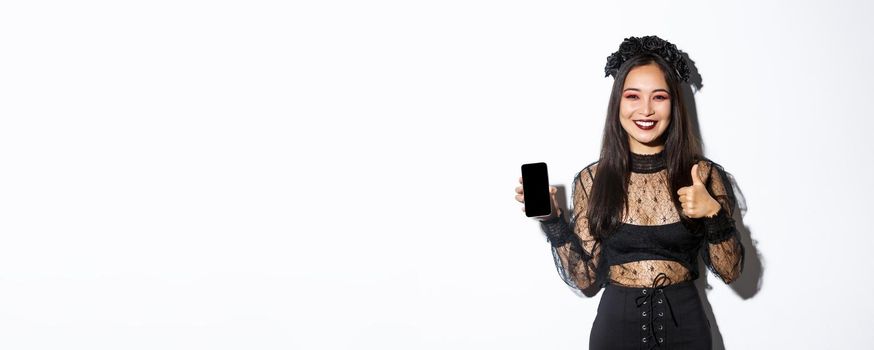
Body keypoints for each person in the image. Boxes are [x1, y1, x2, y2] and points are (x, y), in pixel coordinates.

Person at [513, 35, 745, 349]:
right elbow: (584, 279)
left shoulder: (702, 175)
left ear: (674, 104)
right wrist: (552, 220)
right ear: (618, 103)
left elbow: (731, 272)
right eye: (633, 96)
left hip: (687, 330)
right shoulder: (592, 180)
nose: (645, 110)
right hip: (615, 332)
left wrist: (714, 215)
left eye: (659, 97)